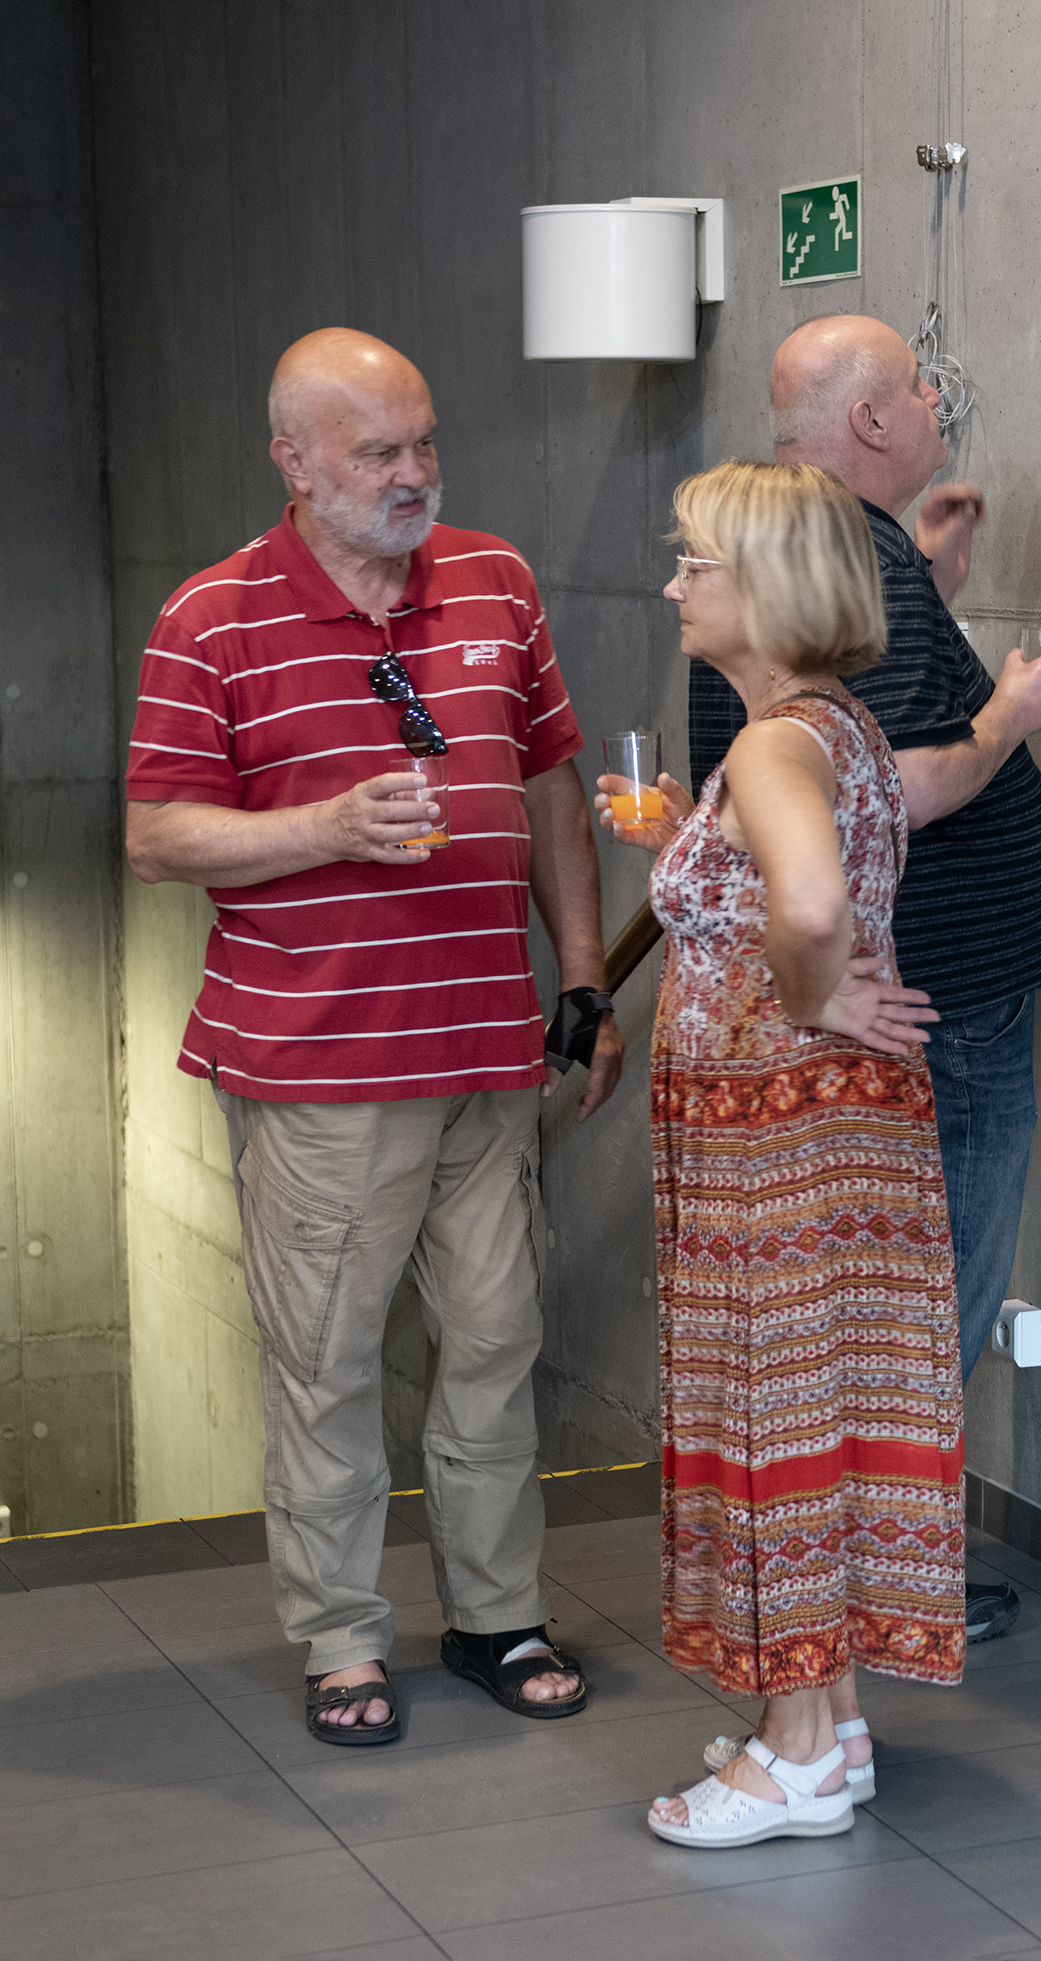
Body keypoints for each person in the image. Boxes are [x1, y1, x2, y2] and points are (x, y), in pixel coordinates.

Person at [125, 328, 623, 1743]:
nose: (414, 474)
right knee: (329, 1365)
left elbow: (549, 784)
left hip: (489, 1055)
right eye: (378, 452)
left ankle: (496, 1614)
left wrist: (583, 978)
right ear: (293, 460)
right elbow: (157, 834)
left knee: (496, 1344)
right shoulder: (211, 617)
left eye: (426, 443)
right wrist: (327, 828)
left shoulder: (497, 579)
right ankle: (342, 1640)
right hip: (320, 1069)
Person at [689, 315, 1041, 1644]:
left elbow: (843, 711)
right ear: (870, 421)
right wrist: (1009, 716)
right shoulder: (851, 559)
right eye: (918, 387)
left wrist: (924, 574)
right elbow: (884, 778)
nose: (934, 402)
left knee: (869, 1313)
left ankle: (849, 1584)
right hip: (938, 1005)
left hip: (902, 1005)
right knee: (921, 1307)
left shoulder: (828, 556)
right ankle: (878, 1584)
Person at [599, 459, 965, 1849]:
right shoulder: (833, 725)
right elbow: (796, 881)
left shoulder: (770, 745)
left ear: (764, 585)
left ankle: (798, 1752)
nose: (673, 585)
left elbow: (810, 902)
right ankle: (837, 1724)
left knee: (773, 1416)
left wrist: (810, 995)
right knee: (824, 1410)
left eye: (694, 562)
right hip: (836, 1127)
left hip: (778, 1136)